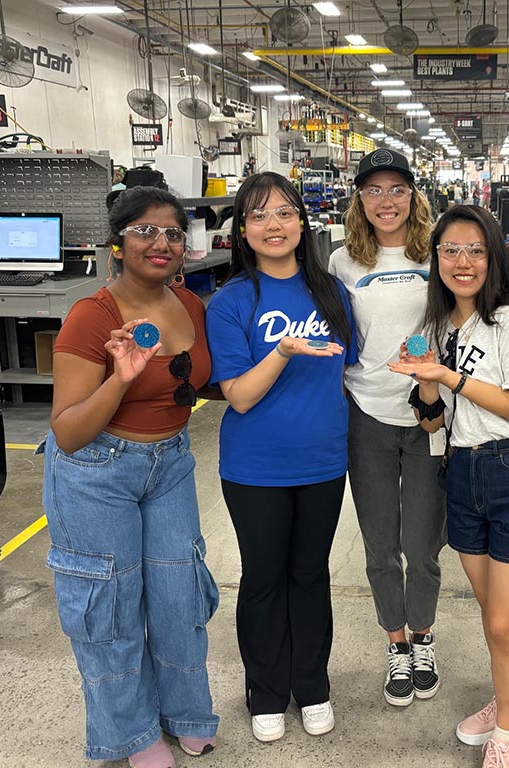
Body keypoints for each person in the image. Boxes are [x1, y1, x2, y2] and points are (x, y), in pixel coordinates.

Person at [42, 186, 219, 768]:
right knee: (109, 608)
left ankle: (185, 713)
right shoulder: (92, 316)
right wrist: (119, 378)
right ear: (117, 243)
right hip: (97, 472)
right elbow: (67, 431)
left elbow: (199, 383)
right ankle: (131, 734)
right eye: (145, 231)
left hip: (169, 464)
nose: (161, 243)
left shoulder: (189, 304)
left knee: (178, 597)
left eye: (172, 232)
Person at [389, 205, 509, 768]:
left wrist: (448, 376)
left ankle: (507, 731)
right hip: (463, 470)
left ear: (492, 258)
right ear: (435, 257)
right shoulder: (436, 327)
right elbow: (434, 422)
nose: (461, 263)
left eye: (475, 251)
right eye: (449, 251)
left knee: (504, 620)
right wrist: (427, 387)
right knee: (493, 613)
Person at [206, 171, 356, 744]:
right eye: (260, 215)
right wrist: (283, 351)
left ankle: (312, 685)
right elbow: (239, 395)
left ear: (302, 222)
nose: (274, 225)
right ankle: (265, 691)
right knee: (264, 578)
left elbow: (345, 370)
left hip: (321, 461)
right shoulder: (231, 302)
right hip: (255, 468)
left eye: (285, 213)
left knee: (310, 575)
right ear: (243, 230)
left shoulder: (331, 293)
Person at [328, 150, 446, 707]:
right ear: (359, 199)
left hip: (430, 411)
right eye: (374, 190)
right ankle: (396, 643)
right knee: (380, 546)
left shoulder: (439, 251)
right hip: (367, 414)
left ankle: (423, 636)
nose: (386, 200)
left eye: (397, 189)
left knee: (423, 544)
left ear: (413, 196)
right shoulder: (342, 261)